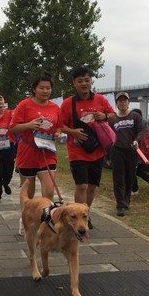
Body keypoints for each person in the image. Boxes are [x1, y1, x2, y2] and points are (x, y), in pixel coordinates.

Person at [60, 66, 115, 228]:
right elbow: (59, 125)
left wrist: (104, 116)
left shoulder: (101, 100)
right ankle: (76, 219)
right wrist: (72, 132)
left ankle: (85, 215)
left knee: (92, 186)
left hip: (97, 150)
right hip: (77, 151)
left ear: (91, 81)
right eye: (80, 81)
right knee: (82, 185)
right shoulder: (67, 103)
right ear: (74, 83)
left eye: (87, 80)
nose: (84, 83)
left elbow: (113, 115)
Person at [10, 73, 63, 201]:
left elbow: (58, 126)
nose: (45, 91)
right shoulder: (24, 105)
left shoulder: (55, 108)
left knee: (49, 192)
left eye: (48, 88)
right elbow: (12, 127)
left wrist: (58, 133)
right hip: (27, 153)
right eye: (41, 88)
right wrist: (28, 125)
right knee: (28, 194)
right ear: (34, 89)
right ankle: (26, 219)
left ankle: (46, 219)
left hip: (47, 153)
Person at [109, 92, 144, 216]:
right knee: (118, 178)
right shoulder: (113, 119)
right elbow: (108, 135)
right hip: (117, 151)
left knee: (130, 177)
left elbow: (141, 130)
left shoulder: (135, 116)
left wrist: (136, 140)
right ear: (116, 103)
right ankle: (120, 204)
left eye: (125, 100)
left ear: (128, 102)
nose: (122, 103)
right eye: (120, 101)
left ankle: (126, 201)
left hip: (132, 151)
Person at [0, 94, 16, 203]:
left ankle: (6, 183)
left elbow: (17, 124)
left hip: (9, 146)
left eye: (1, 99)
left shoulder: (11, 113)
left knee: (8, 171)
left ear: (4, 101)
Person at [130, 108, 149, 195]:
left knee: (132, 170)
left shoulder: (137, 124)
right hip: (145, 151)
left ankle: (135, 190)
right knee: (136, 170)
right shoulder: (145, 124)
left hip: (137, 150)